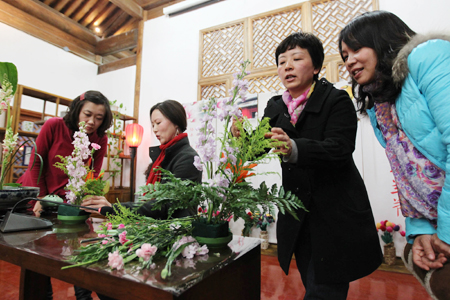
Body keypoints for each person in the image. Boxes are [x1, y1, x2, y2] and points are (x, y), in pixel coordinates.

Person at [232, 32, 382, 299]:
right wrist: (243, 137)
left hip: (333, 213)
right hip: (298, 214)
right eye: (281, 61)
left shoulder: (336, 100)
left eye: (296, 58)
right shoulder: (276, 106)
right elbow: (261, 146)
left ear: (315, 67)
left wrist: (294, 148)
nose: (287, 66)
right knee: (312, 281)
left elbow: (340, 148)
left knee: (325, 288)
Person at [339, 11, 450, 299]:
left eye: (356, 49)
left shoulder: (428, 56)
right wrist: (421, 233)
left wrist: (446, 234)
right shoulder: (379, 101)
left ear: (382, 41)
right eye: (344, 55)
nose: (349, 61)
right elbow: (407, 174)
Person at [17, 90, 113, 300]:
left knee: (77, 249)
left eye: (99, 118)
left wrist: (84, 199)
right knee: (38, 258)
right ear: (77, 110)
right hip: (36, 196)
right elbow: (35, 164)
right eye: (87, 114)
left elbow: (92, 175)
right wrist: (40, 198)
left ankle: (83, 295)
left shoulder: (99, 139)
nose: (91, 122)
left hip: (67, 201)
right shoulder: (54, 125)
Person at [82, 99, 202, 218]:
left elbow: (165, 206)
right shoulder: (163, 156)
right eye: (153, 125)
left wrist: (115, 208)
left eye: (158, 123)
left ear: (176, 122)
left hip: (176, 231)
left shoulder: (188, 158)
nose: (154, 129)